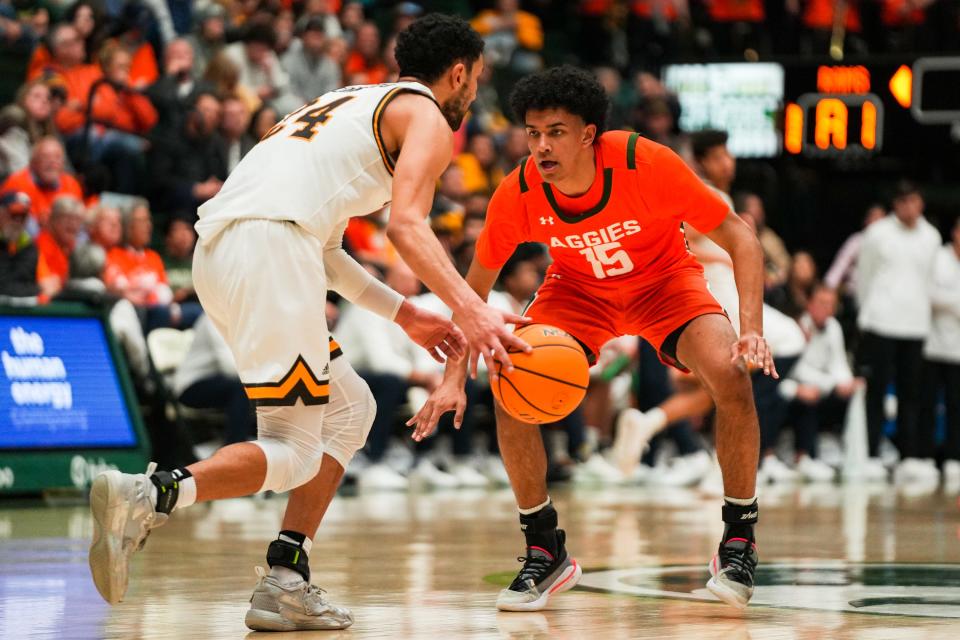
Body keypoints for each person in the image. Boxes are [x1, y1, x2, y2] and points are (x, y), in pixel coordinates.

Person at [88, 14, 528, 632]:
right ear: (457, 72)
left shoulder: (343, 102)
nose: (475, 95)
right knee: (295, 450)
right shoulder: (427, 115)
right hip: (272, 249)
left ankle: (285, 579)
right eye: (476, 80)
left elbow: (325, 251)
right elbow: (407, 226)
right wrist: (472, 310)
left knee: (350, 411)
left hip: (223, 251)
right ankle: (151, 494)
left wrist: (405, 313)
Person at [409, 66, 776, 611]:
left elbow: (743, 241)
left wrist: (751, 331)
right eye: (533, 133)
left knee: (730, 373)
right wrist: (453, 377)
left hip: (665, 283)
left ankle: (739, 539)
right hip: (577, 291)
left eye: (555, 132)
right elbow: (471, 295)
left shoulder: (644, 163)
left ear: (588, 134)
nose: (541, 146)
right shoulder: (519, 193)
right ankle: (544, 549)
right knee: (512, 381)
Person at [856, 181, 941, 482]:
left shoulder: (931, 236)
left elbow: (930, 279)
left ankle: (908, 456)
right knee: (875, 391)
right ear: (895, 205)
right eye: (903, 201)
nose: (909, 207)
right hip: (880, 320)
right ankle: (870, 454)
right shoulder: (877, 233)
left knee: (911, 393)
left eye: (914, 201)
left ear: (921, 203)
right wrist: (866, 312)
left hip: (916, 324)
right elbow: (863, 276)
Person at [920, 217, 960, 487]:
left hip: (958, 348)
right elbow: (928, 291)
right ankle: (922, 457)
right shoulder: (939, 257)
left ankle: (954, 457)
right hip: (934, 343)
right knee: (928, 404)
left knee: (957, 406)